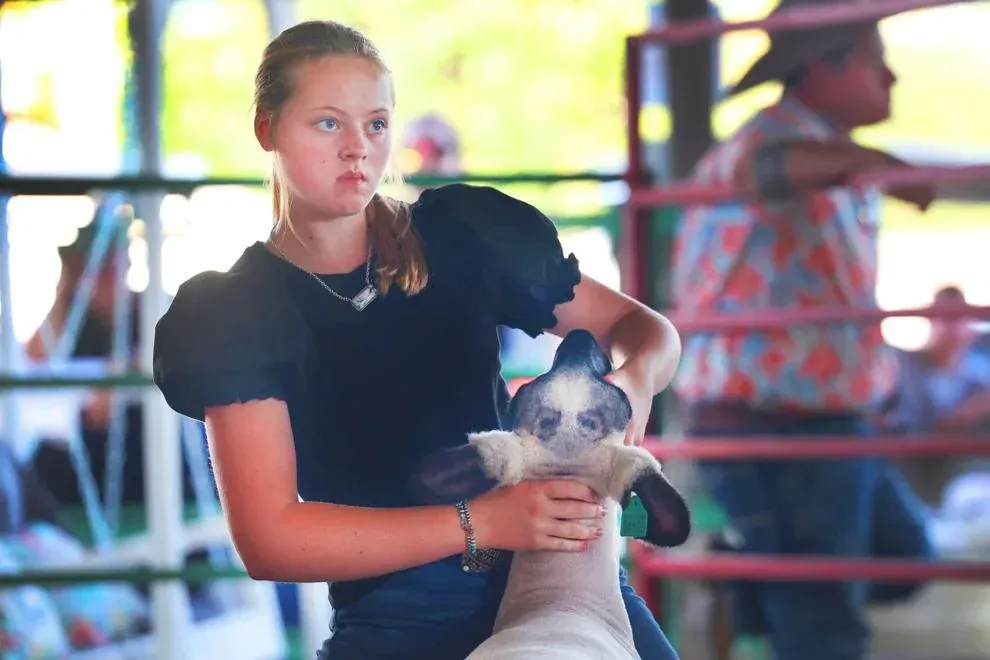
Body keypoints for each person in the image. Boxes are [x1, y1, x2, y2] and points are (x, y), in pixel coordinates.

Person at [152, 20, 683, 660]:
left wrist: (635, 380)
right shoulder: (236, 309)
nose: (358, 149)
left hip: (559, 582)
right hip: (397, 614)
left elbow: (645, 331)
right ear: (267, 129)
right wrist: (484, 522)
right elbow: (270, 539)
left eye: (375, 124)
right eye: (328, 123)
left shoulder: (459, 234)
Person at [671, 1, 939, 659]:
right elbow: (762, 172)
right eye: (878, 62)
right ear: (829, 65)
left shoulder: (826, 153)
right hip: (776, 423)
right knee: (826, 629)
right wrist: (875, 161)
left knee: (905, 554)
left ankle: (749, 578)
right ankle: (766, 582)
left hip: (822, 419)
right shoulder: (770, 141)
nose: (893, 79)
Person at [883, 285, 990, 504]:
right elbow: (914, 431)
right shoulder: (906, 369)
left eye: (958, 319)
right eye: (943, 319)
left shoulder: (979, 372)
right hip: (930, 475)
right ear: (930, 322)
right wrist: (966, 414)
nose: (951, 329)